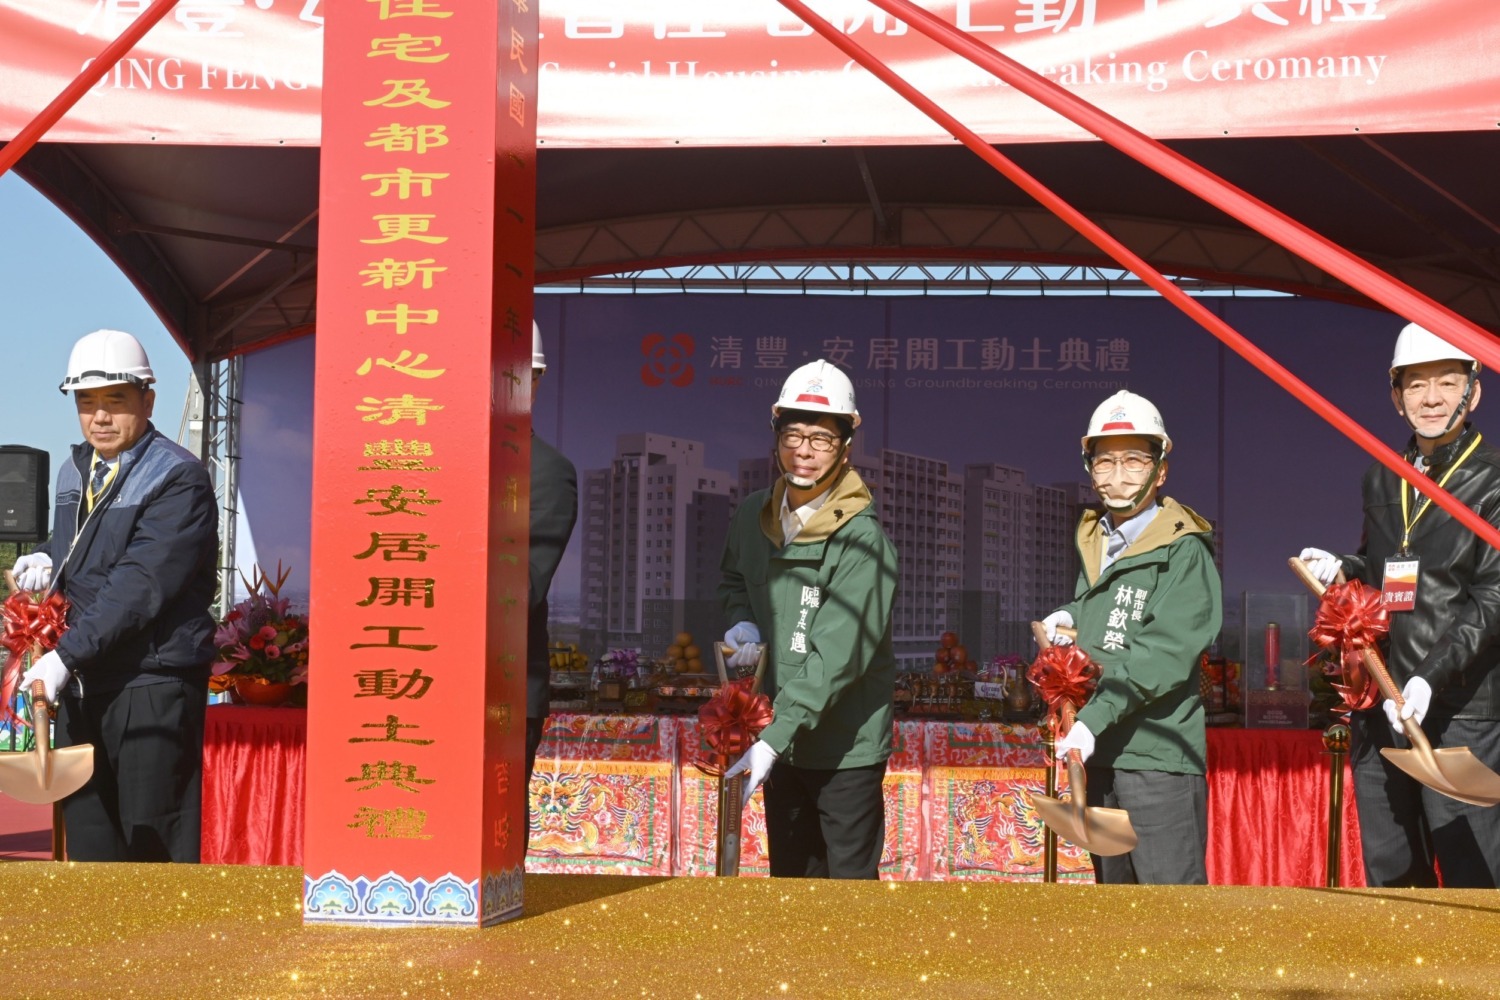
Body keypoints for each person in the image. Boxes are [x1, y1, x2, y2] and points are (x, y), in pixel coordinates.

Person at [1299, 321, 1500, 888]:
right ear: (1396, 395)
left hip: (1461, 709)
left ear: (1474, 391)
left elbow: (1493, 596)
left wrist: (1431, 677)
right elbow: (1388, 572)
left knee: (1474, 880)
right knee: (1393, 876)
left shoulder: (1494, 482)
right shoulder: (1383, 478)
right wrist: (1344, 569)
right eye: (1415, 385)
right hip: (1382, 700)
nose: (1431, 398)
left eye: (1446, 382)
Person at [11, 329, 218, 862]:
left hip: (151, 682)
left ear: (148, 400)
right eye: (86, 402)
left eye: (114, 401)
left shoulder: (178, 479)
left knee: (152, 846)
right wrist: (47, 554)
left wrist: (64, 656)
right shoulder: (75, 468)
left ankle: (164, 950)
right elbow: (83, 544)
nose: (99, 417)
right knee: (91, 840)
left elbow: (140, 584)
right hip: (84, 681)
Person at [718, 359, 898, 880]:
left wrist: (772, 737)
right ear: (775, 435)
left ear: (846, 445)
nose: (804, 450)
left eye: (820, 438)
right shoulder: (754, 515)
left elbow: (838, 657)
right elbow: (733, 580)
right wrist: (741, 623)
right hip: (778, 736)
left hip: (844, 748)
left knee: (845, 891)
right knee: (792, 882)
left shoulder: (863, 541)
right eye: (792, 434)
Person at [1040, 389, 1221, 885]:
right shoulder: (1099, 541)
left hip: (1157, 758)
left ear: (1160, 470)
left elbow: (1161, 653)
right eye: (1105, 463)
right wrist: (1070, 615)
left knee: (1170, 914)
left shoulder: (1183, 552)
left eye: (1134, 462)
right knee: (1117, 911)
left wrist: (1092, 720)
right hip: (1102, 753)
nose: (1117, 476)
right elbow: (1108, 623)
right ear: (1089, 467)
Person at [524, 320, 578, 839]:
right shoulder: (433, 463)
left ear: (534, 382)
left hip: (500, 693)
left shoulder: (546, 472)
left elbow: (522, 588)